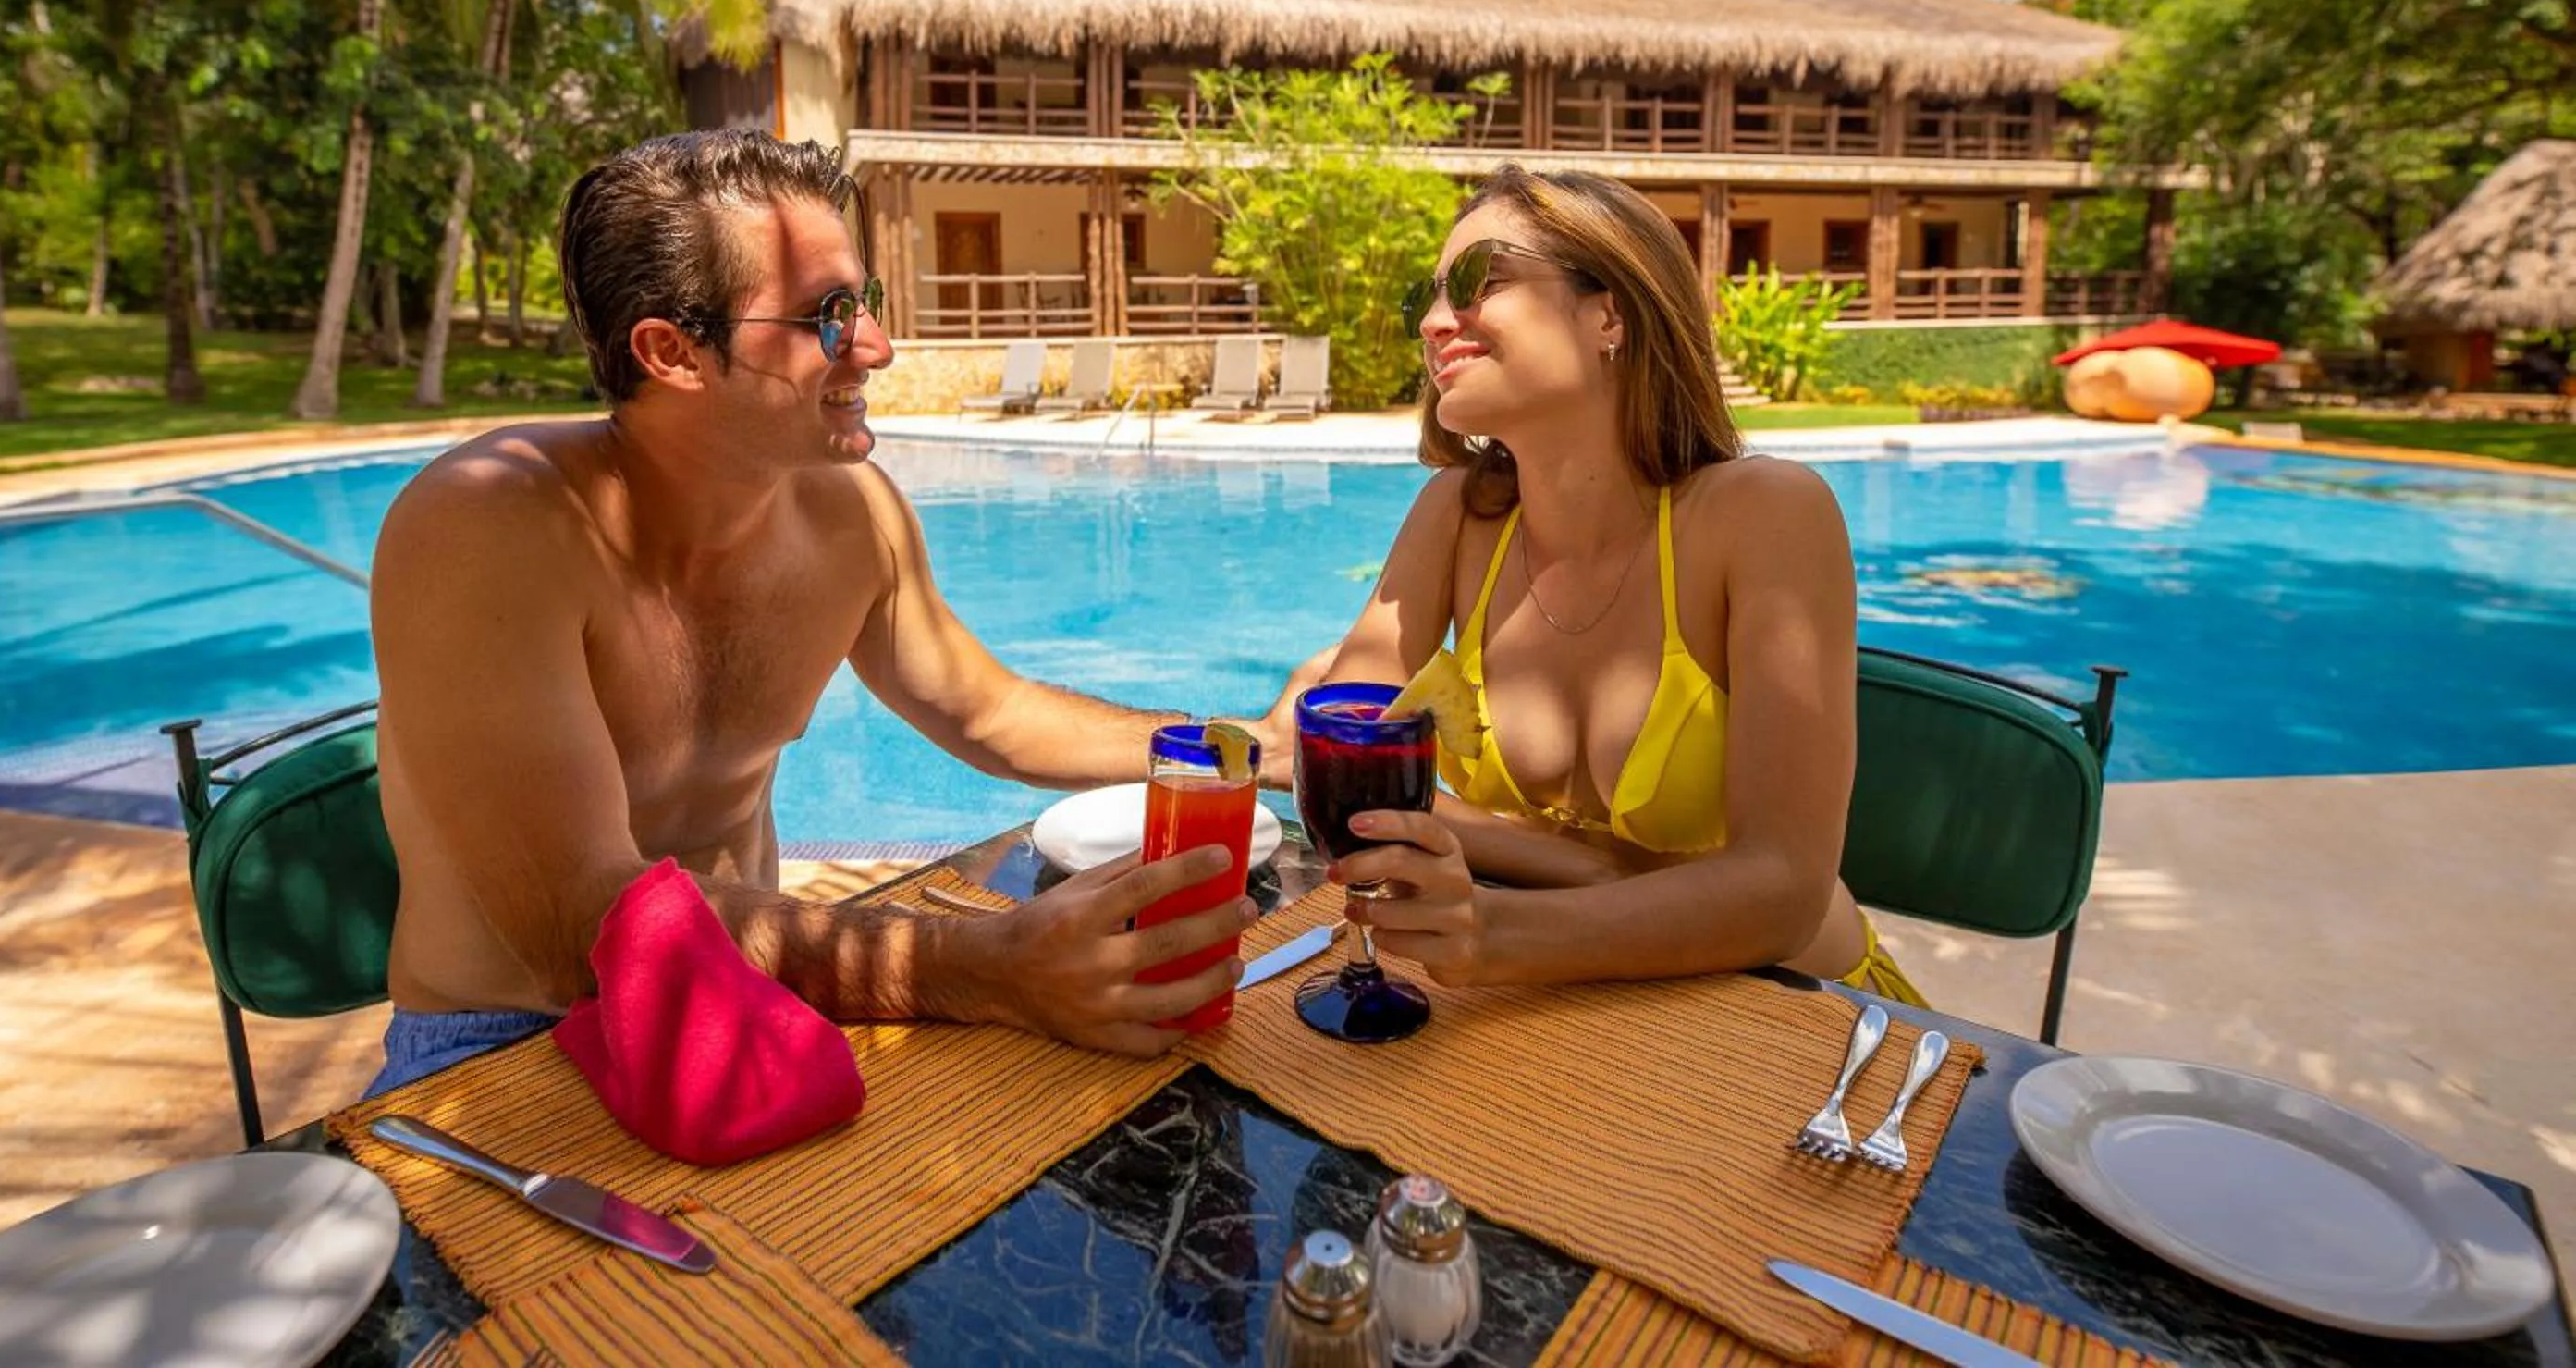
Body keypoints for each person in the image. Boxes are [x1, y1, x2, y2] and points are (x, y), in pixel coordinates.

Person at [365, 130, 1258, 1092]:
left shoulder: (849, 513)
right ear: (673, 352)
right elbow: (584, 932)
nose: (876, 345)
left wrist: (1242, 745)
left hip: (759, 1000)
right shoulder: (491, 526)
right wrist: (989, 965)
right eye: (828, 314)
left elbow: (987, 712)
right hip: (511, 1041)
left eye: (863, 301)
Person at [1270, 165, 1922, 1001]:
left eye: (1480, 281)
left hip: (1796, 1013)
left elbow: (1784, 894)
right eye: (1424, 298)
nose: (1436, 322)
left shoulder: (1765, 515)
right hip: (1557, 996)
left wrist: (1498, 927)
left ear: (1609, 312)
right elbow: (1350, 776)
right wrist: (1569, 863)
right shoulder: (1454, 518)